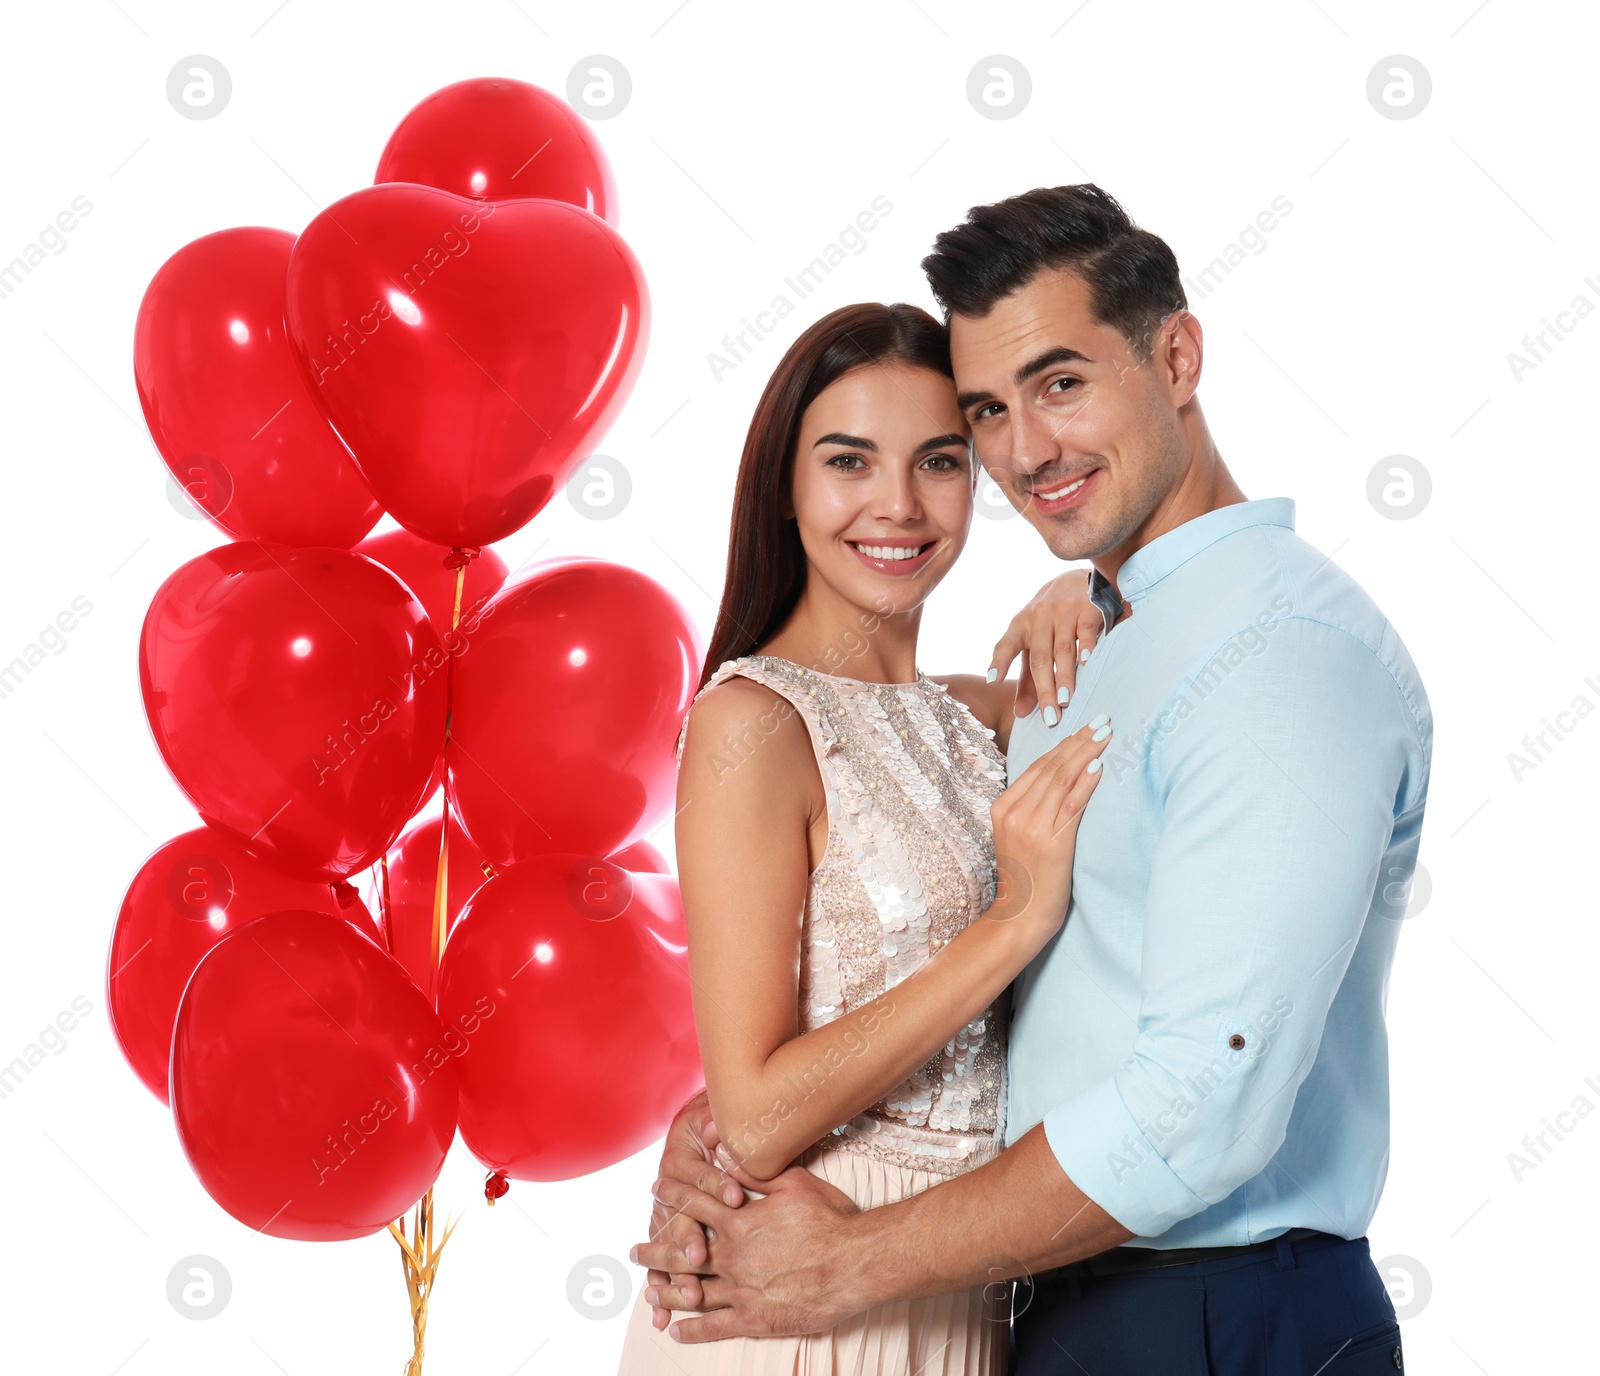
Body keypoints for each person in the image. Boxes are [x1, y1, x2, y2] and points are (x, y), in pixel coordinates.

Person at [633, 185, 1432, 1376]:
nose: (1026, 452)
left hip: (1195, 1303)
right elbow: (811, 1034)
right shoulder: (1083, 650)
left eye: (1060, 384)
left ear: (1176, 355)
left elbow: (1199, 1103)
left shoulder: (1276, 652)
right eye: (990, 412)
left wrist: (848, 1258)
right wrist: (715, 1137)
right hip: (1011, 1292)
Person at [616, 300, 1118, 1374]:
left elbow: (1160, 668)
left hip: (954, 1264)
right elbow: (752, 1120)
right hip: (800, 1276)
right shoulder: (752, 722)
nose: (897, 504)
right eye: (849, 460)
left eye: (938, 461)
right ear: (784, 486)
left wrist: (1079, 583)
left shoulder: (980, 715)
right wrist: (1016, 917)